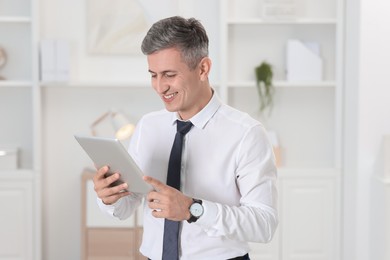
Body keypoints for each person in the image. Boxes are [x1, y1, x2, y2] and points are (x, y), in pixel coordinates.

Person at [93, 16, 278, 259]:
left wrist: (193, 209)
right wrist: (110, 198)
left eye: (169, 74)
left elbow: (264, 224)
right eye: (153, 75)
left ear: (203, 68)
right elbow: (129, 206)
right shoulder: (149, 126)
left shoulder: (246, 133)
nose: (160, 87)